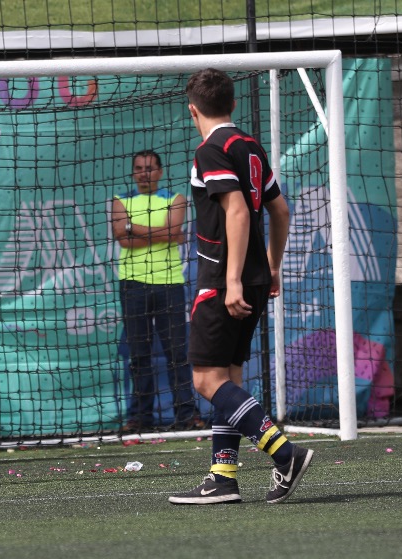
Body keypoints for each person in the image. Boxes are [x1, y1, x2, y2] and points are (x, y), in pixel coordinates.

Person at [168, 68, 312, 505]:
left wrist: (230, 280)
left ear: (193, 111)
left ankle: (285, 454)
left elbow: (237, 212)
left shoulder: (211, 149)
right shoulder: (249, 145)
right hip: (254, 279)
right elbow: (280, 211)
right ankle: (223, 476)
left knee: (205, 379)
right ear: (232, 105)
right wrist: (271, 267)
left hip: (223, 281)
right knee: (230, 377)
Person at [112, 150, 201, 432]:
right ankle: (140, 418)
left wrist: (132, 227)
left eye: (149, 168)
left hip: (170, 284)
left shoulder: (176, 199)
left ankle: (186, 415)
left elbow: (175, 233)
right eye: (138, 168)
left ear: (160, 172)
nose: (143, 173)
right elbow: (122, 239)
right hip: (133, 285)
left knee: (177, 353)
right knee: (139, 355)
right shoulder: (120, 200)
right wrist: (160, 232)